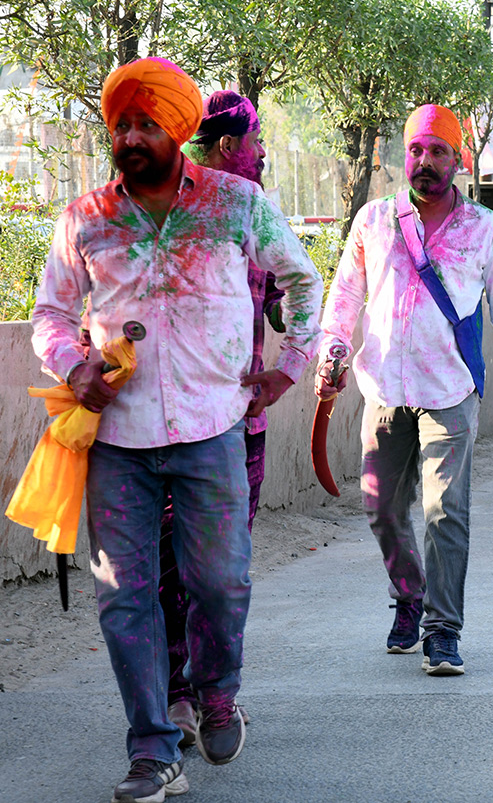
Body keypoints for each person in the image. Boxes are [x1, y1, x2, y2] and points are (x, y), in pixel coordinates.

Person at [31, 57, 323, 802]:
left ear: (178, 128)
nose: (130, 135)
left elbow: (301, 278)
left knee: (218, 584)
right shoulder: (84, 220)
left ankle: (218, 690)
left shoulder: (236, 204)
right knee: (121, 596)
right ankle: (153, 749)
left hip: (211, 430)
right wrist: (74, 367)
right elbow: (52, 316)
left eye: (145, 123)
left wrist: (289, 364)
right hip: (118, 444)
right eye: (121, 124)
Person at [318, 104, 493, 676]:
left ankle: (443, 630)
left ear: (457, 159)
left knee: (445, 512)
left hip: (451, 390)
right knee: (382, 509)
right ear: (404, 156)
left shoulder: (486, 229)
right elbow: (345, 295)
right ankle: (409, 594)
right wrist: (333, 350)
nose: (425, 161)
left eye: (438, 150)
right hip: (386, 387)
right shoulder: (373, 220)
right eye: (416, 150)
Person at [133, 89, 282, 747]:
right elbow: (284, 309)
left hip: (165, 425)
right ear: (230, 147)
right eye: (257, 145)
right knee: (219, 572)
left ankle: (180, 697)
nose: (263, 156)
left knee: (171, 567)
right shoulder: (240, 211)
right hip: (223, 428)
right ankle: (199, 696)